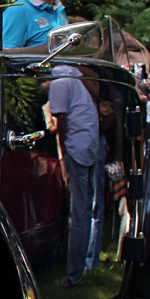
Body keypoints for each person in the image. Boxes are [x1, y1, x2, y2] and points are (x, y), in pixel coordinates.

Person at [48, 64, 102, 286]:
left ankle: (73, 275)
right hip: (87, 146)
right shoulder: (77, 81)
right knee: (83, 209)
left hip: (76, 148)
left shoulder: (60, 82)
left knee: (78, 212)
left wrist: (62, 153)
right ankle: (78, 269)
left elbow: (61, 122)